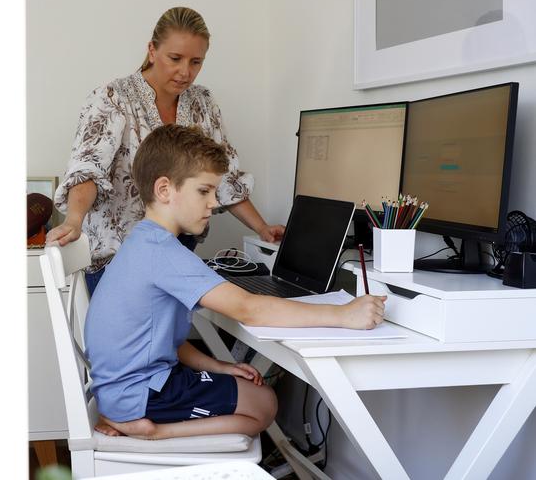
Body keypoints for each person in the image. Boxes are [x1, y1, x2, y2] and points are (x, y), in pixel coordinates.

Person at [85, 125, 386, 440]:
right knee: (264, 403)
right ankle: (156, 431)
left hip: (122, 390)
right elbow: (248, 309)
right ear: (164, 190)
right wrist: (343, 315)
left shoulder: (142, 242)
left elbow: (160, 342)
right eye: (204, 191)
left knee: (244, 388)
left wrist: (218, 366)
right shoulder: (165, 253)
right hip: (142, 395)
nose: (214, 203)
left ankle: (139, 419)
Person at [47, 6, 284, 294]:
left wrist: (262, 229)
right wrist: (73, 220)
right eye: (175, 58)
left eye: (196, 62)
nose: (185, 72)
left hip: (178, 253)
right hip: (119, 257)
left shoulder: (203, 103)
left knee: (219, 319)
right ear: (152, 50)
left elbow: (225, 180)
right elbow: (87, 168)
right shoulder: (114, 97)